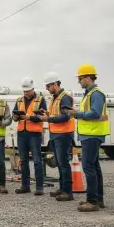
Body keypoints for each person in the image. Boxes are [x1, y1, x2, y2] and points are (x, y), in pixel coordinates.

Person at [65, 63, 110, 212]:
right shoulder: (90, 94)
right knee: (94, 167)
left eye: (80, 78)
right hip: (90, 134)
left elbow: (95, 114)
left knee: (89, 167)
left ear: (88, 78)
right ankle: (98, 199)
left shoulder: (96, 94)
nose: (79, 81)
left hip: (92, 135)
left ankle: (92, 201)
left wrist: (76, 114)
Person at [38, 72, 75, 201]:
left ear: (55, 84)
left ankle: (68, 192)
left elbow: (65, 116)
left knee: (63, 163)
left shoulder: (65, 97)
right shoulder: (55, 98)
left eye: (48, 86)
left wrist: (48, 118)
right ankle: (62, 188)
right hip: (56, 134)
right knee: (59, 163)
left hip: (63, 134)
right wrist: (46, 113)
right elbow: (56, 114)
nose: (47, 89)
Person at [13, 77, 47, 195]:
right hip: (22, 133)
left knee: (37, 161)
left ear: (33, 89)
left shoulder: (40, 100)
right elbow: (14, 115)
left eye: (27, 91)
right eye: (24, 91)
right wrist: (16, 117)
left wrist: (29, 117)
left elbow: (44, 116)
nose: (25, 93)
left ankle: (39, 187)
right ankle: (25, 186)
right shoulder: (19, 100)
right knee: (23, 160)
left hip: (34, 134)